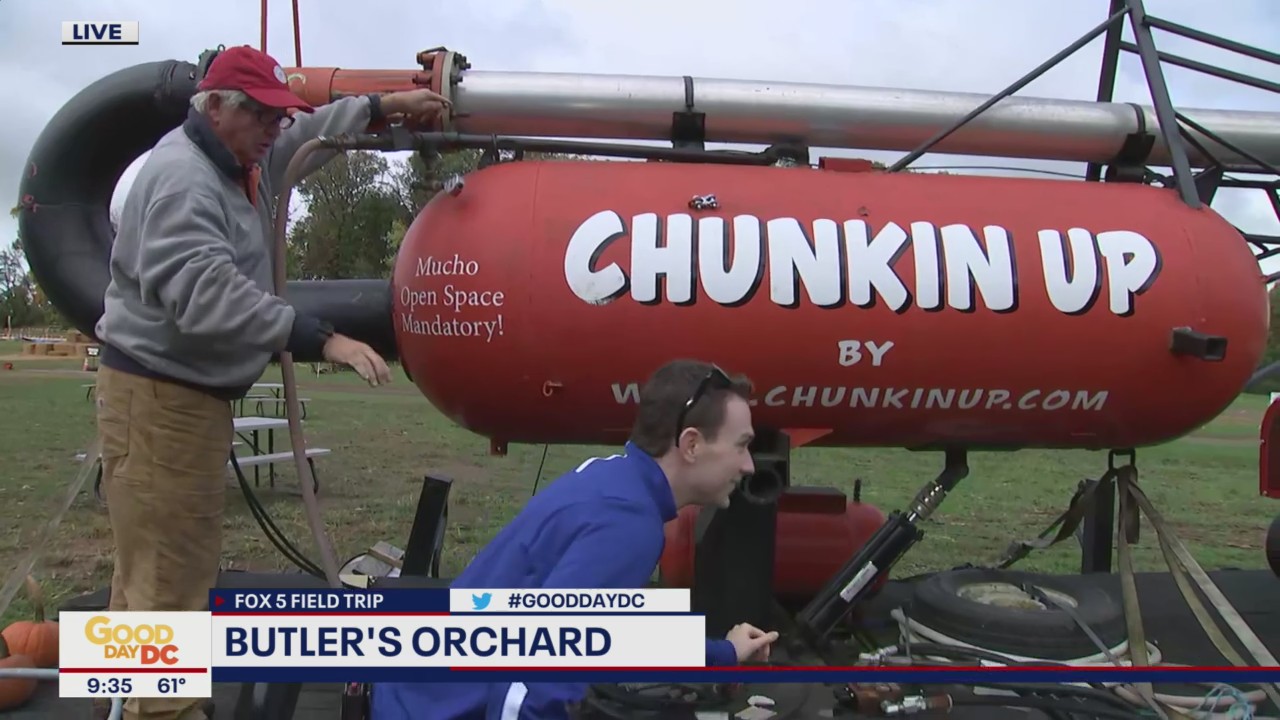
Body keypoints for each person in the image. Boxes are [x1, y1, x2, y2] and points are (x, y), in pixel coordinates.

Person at [92, 44, 448, 720]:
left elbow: (310, 130)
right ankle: (162, 710)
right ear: (215, 107)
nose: (274, 128)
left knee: (147, 575)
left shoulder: (243, 160)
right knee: (169, 583)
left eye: (277, 116)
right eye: (261, 115)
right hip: (161, 403)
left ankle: (118, 703)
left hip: (180, 401)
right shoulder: (184, 181)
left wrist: (381, 106)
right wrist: (323, 338)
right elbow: (207, 295)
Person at [370, 359, 781, 720]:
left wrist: (722, 653)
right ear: (691, 444)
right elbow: (532, 687)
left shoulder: (614, 478)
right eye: (742, 445)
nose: (748, 465)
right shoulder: (628, 526)